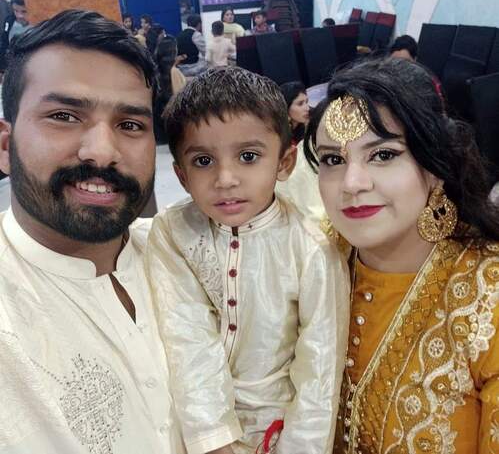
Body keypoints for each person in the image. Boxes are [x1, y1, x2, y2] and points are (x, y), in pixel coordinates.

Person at [0, 9, 185, 454]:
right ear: (5, 147)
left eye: (130, 125)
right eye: (64, 116)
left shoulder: (187, 252)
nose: (101, 152)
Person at [147, 66, 349, 454]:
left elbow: (319, 373)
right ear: (182, 176)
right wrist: (214, 441)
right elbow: (186, 337)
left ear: (284, 163)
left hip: (279, 424)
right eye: (203, 161)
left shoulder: (312, 247)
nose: (225, 178)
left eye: (248, 156)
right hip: (192, 423)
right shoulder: (174, 231)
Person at [304, 57, 499, 453]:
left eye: (383, 155)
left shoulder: (488, 298)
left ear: (435, 166)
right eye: (333, 160)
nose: (352, 184)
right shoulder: (311, 260)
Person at [276, 81, 325, 225]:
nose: (307, 108)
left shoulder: (304, 127)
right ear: (286, 108)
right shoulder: (278, 135)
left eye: (307, 102)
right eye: (300, 104)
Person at [154, 34, 186, 143]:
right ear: (173, 52)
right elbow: (181, 100)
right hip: (175, 128)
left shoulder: (155, 72)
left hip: (159, 129)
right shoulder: (174, 72)